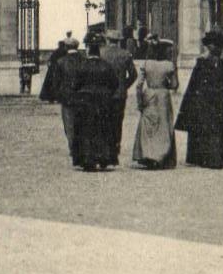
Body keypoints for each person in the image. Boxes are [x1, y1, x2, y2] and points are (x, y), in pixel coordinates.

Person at [175, 28, 223, 167]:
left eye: (214, 45)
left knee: (222, 130)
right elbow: (194, 86)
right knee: (205, 130)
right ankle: (205, 158)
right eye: (210, 46)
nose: (211, 48)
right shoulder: (201, 63)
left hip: (221, 103)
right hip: (205, 103)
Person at [70, 37, 119, 172]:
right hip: (103, 101)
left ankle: (87, 158)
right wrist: (106, 93)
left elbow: (75, 85)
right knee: (104, 128)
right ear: (99, 52)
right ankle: (104, 157)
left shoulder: (82, 65)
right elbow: (115, 83)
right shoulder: (106, 66)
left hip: (85, 101)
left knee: (85, 130)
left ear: (88, 51)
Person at [131, 37, 178, 169]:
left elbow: (138, 85)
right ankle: (161, 156)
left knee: (149, 125)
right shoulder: (169, 65)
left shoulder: (146, 64)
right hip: (163, 96)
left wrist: (139, 101)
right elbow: (174, 85)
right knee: (164, 125)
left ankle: (148, 154)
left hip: (149, 93)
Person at [100, 30, 138, 165]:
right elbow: (133, 74)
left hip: (104, 93)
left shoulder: (101, 53)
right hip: (120, 94)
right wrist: (124, 85)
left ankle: (105, 151)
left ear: (107, 40)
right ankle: (115, 150)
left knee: (103, 121)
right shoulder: (125, 54)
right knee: (117, 123)